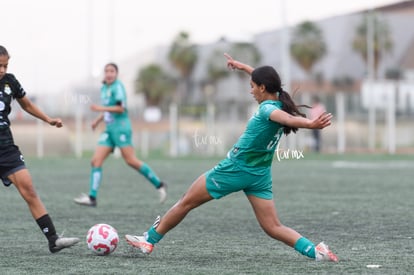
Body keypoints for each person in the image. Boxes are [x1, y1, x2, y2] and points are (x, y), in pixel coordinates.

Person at [125, 53, 338, 262]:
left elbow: (287, 119)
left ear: (263, 88)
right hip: (259, 175)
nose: (251, 90)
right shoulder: (279, 100)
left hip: (235, 169)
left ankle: (149, 240)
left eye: (253, 86)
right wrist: (242, 66)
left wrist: (310, 124)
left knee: (185, 202)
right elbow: (266, 86)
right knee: (273, 227)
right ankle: (315, 251)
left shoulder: (268, 109)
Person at [0, 45, 80, 253]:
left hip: (6, 146)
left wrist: (48, 119)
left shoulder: (10, 81)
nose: (2, 69)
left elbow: (26, 105)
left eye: (5, 65)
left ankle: (53, 239)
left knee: (29, 188)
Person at [74, 63, 167, 207]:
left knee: (131, 161)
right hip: (109, 131)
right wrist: (98, 120)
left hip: (121, 129)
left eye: (112, 71)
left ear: (116, 74)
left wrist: (100, 108)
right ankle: (92, 198)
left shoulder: (118, 87)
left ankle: (159, 184)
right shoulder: (104, 88)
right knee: (95, 161)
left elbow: (120, 108)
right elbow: (107, 110)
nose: (109, 74)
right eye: (107, 71)